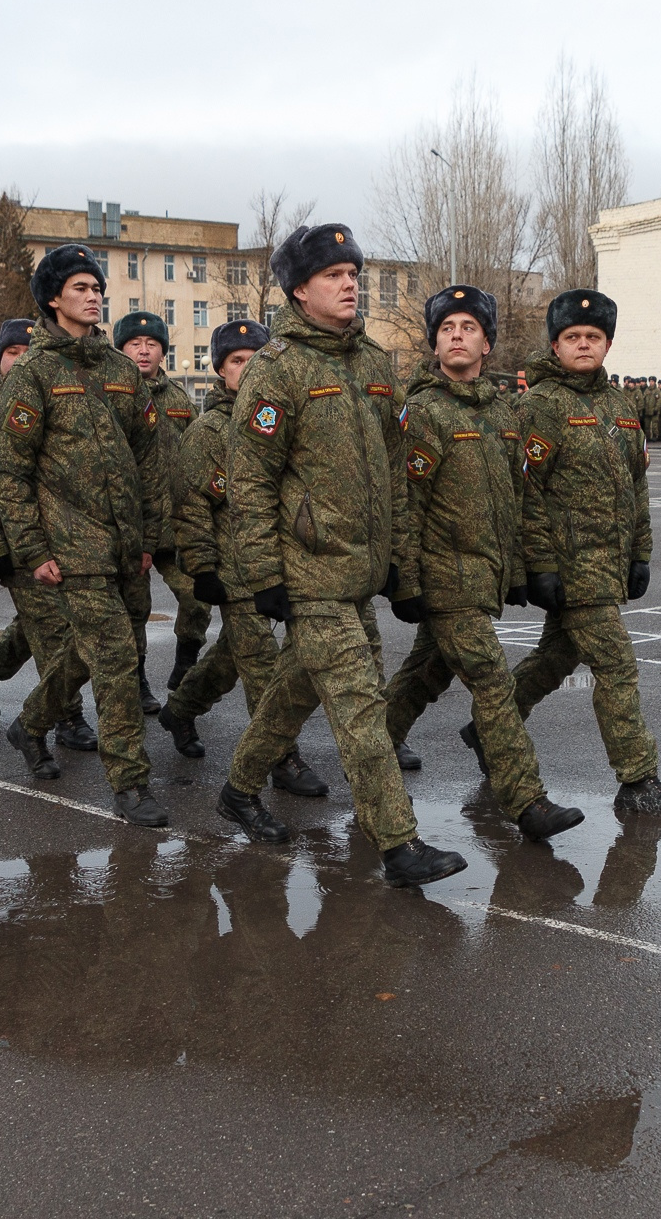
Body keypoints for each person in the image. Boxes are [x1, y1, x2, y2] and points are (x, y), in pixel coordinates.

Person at [219, 223, 468, 887]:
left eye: (354, 272)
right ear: (300, 290)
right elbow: (248, 482)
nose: (351, 283)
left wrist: (400, 567)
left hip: (360, 571)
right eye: (335, 274)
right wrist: (264, 575)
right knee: (361, 706)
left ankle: (239, 789)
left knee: (293, 692)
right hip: (307, 571)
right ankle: (398, 843)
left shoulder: (373, 364)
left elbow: (393, 474)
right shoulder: (276, 371)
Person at [380, 285, 585, 840]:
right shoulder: (423, 412)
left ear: (487, 343)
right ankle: (526, 801)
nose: (457, 336)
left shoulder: (504, 411)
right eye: (446, 328)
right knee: (493, 683)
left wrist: (518, 571)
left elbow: (516, 499)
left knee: (425, 675)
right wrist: (407, 579)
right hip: (445, 579)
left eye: (468, 327)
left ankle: (372, 746)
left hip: (483, 577)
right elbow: (406, 503)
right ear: (434, 343)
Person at [0, 244, 169, 827]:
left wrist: (147, 536)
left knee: (87, 652)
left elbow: (148, 456)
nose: (93, 297)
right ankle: (131, 783)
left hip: (122, 544)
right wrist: (32, 550)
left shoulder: (120, 371)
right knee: (116, 655)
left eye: (97, 289)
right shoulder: (35, 374)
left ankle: (31, 723)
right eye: (80, 289)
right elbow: (11, 470)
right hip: (70, 547)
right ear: (52, 300)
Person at [515, 289, 661, 821]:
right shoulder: (540, 406)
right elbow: (526, 492)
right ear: (555, 344)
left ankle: (492, 725)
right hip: (571, 566)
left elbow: (637, 486)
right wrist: (540, 565)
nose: (584, 345)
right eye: (573, 337)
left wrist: (640, 553)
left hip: (609, 563)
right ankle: (637, 780)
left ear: (607, 344)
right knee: (616, 665)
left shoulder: (620, 405)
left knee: (556, 658)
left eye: (593, 337)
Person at [155, 319, 329, 797]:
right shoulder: (210, 432)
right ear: (220, 372)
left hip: (281, 564)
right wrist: (204, 568)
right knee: (264, 668)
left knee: (231, 659)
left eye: (256, 359)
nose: (248, 368)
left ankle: (180, 709)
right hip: (235, 573)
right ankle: (281, 759)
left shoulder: (279, 420)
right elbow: (190, 506)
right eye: (237, 361)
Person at [0, 318, 96, 767]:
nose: (20, 359)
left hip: (64, 533)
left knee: (39, 623)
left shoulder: (51, 392)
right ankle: (67, 717)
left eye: (26, 351)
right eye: (11, 352)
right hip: (18, 541)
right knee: (55, 629)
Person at [113, 311, 213, 709]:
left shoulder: (179, 401)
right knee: (135, 609)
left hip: (175, 523)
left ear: (163, 353)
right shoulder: (111, 396)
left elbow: (197, 453)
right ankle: (137, 681)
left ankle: (184, 667)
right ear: (121, 349)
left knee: (197, 598)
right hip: (132, 527)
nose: (143, 350)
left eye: (151, 344)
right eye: (134, 343)